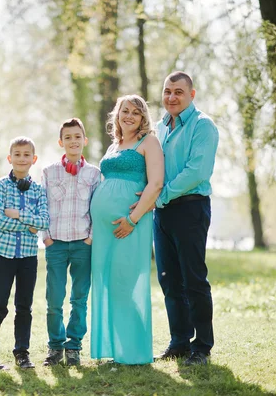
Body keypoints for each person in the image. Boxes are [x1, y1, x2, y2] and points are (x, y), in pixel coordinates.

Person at [151, 71, 219, 366]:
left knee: (193, 280)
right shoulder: (159, 127)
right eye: (167, 91)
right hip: (161, 212)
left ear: (192, 94)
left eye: (178, 92)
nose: (171, 97)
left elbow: (197, 171)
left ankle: (201, 346)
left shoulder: (203, 126)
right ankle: (179, 342)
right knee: (169, 280)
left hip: (190, 208)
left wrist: (161, 194)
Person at [90, 95, 164, 365]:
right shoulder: (114, 146)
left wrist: (132, 219)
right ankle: (120, 350)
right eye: (125, 111)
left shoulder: (149, 143)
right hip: (104, 230)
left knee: (124, 283)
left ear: (143, 118)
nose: (129, 116)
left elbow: (155, 184)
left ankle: (136, 352)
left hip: (130, 225)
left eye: (136, 112)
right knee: (109, 285)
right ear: (117, 115)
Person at [0, 136, 50, 370]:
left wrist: (18, 215)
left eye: (26, 154)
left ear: (33, 159)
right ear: (10, 158)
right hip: (3, 256)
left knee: (24, 307)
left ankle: (22, 353)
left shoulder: (38, 190)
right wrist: (30, 224)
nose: (22, 159)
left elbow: (43, 221)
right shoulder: (0, 186)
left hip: (28, 257)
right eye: (17, 155)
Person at [41, 118, 101, 366]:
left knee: (79, 298)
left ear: (84, 141)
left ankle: (74, 345)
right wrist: (45, 236)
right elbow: (42, 205)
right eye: (68, 137)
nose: (73, 141)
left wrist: (91, 237)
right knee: (54, 299)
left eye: (77, 137)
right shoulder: (49, 172)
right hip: (55, 243)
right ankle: (55, 346)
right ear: (61, 142)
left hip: (82, 244)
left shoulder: (95, 174)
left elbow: (98, 208)